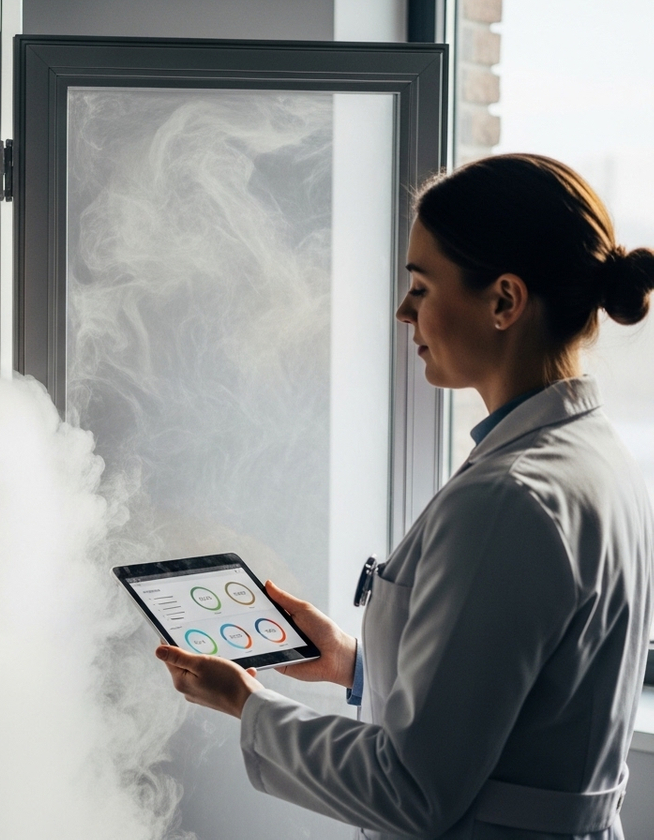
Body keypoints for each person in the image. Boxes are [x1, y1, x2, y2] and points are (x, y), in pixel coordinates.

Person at [156, 154, 654, 839]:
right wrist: (351, 665)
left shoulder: (510, 498)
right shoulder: (595, 455)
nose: (402, 311)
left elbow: (413, 790)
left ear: (505, 301)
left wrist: (246, 703)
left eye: (421, 287)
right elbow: (523, 700)